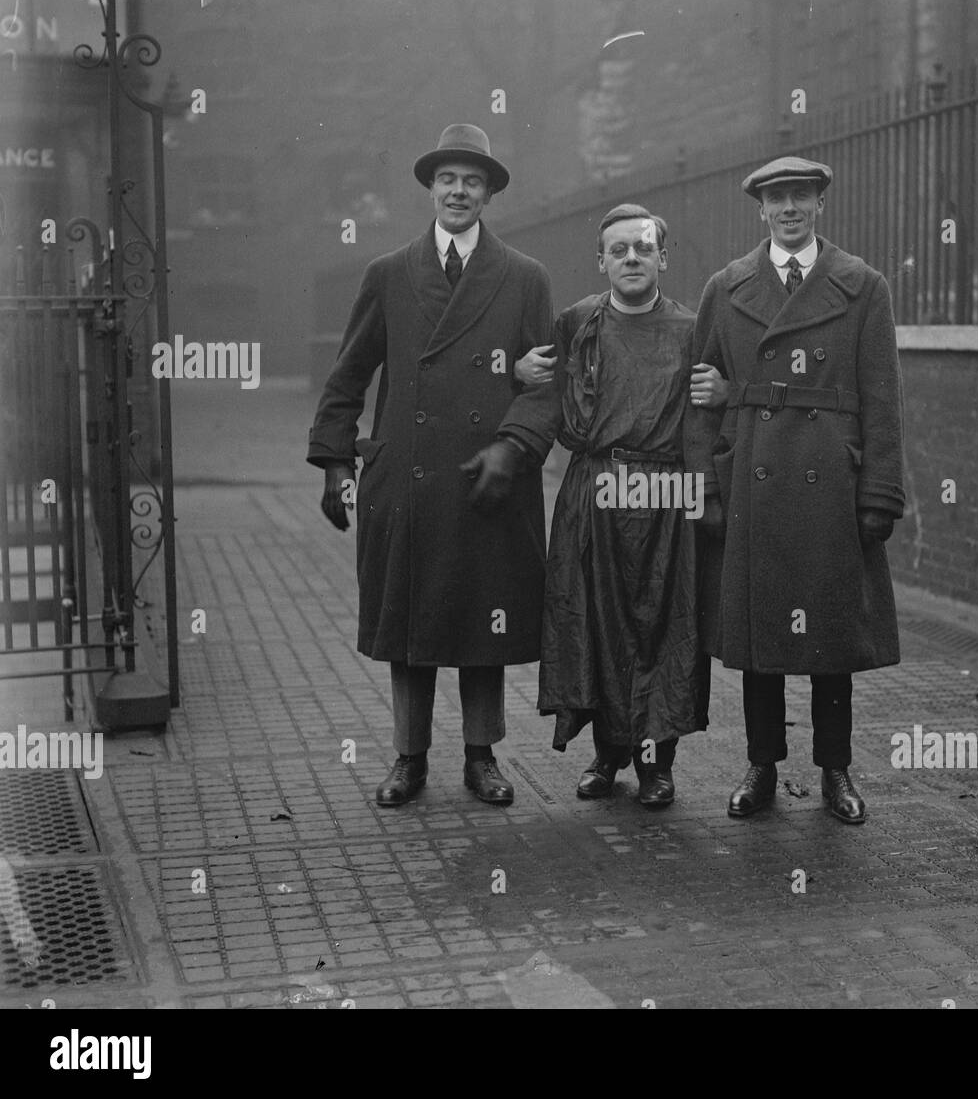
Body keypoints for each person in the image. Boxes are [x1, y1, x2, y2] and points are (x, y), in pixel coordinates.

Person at [307, 124, 557, 808]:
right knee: (409, 627)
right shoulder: (388, 273)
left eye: (472, 181)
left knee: (484, 623)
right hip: (408, 478)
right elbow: (349, 374)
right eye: (448, 179)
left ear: (488, 195)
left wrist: (513, 445)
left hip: (489, 479)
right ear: (431, 188)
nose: (458, 191)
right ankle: (408, 758)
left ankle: (482, 757)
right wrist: (335, 461)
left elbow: (550, 384)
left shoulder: (525, 277)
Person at [687, 156, 906, 824]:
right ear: (760, 209)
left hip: (829, 483)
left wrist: (880, 492)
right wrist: (705, 488)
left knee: (829, 637)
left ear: (819, 204)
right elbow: (699, 399)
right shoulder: (725, 289)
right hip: (752, 477)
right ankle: (762, 763)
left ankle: (835, 768)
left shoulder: (862, 286)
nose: (788, 208)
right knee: (762, 638)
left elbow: (882, 397)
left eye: (800, 196)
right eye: (776, 197)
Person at [524, 204, 725, 806]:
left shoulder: (692, 330)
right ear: (602, 261)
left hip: (665, 492)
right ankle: (608, 755)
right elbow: (543, 393)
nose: (632, 258)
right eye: (619, 250)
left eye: (643, 248)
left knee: (661, 627)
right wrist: (517, 370)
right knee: (598, 624)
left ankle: (657, 765)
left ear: (663, 257)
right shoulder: (576, 322)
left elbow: (714, 413)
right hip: (594, 488)